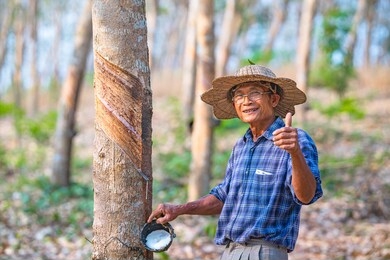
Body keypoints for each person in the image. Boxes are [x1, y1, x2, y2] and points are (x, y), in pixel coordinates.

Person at [148, 64, 323, 260]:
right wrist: (180, 209)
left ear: (274, 99)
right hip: (230, 251)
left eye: (255, 93)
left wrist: (295, 152)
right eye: (239, 95)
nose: (246, 101)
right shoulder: (241, 146)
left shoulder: (295, 140)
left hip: (264, 252)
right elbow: (224, 196)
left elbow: (306, 196)